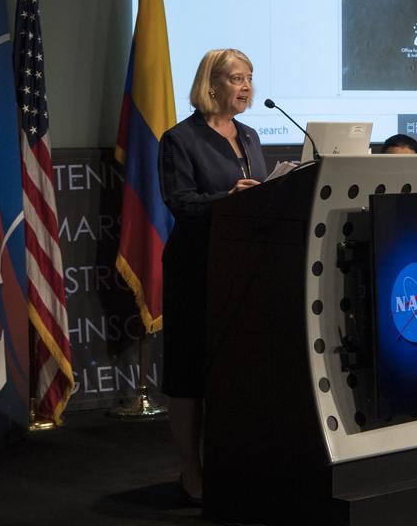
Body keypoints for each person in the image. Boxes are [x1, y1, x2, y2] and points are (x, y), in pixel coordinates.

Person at [157, 48, 265, 504]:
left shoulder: (252, 135)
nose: (246, 87)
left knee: (237, 370)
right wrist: (227, 198)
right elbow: (178, 201)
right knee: (188, 373)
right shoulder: (180, 139)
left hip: (244, 268)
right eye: (237, 78)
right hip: (195, 267)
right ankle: (191, 471)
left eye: (249, 77)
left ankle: (237, 462)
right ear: (212, 85)